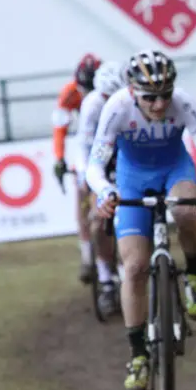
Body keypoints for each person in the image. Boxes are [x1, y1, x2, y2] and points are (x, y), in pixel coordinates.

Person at [87, 50, 196, 390]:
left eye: (165, 95)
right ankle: (137, 356)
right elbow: (95, 164)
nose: (160, 104)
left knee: (185, 211)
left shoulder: (183, 103)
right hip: (132, 179)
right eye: (150, 97)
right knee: (133, 267)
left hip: (174, 169)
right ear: (133, 92)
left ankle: (192, 275)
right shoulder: (117, 107)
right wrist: (105, 191)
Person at [74, 60, 126, 315]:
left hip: (126, 160)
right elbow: (84, 146)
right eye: (108, 97)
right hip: (100, 161)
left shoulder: (131, 100)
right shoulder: (92, 104)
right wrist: (85, 176)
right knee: (98, 220)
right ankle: (105, 278)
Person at [53, 53, 101, 283]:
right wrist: (59, 158)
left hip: (108, 143)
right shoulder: (70, 93)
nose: (86, 94)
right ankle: (86, 256)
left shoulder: (107, 92)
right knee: (81, 199)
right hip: (86, 148)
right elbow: (59, 128)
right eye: (83, 89)